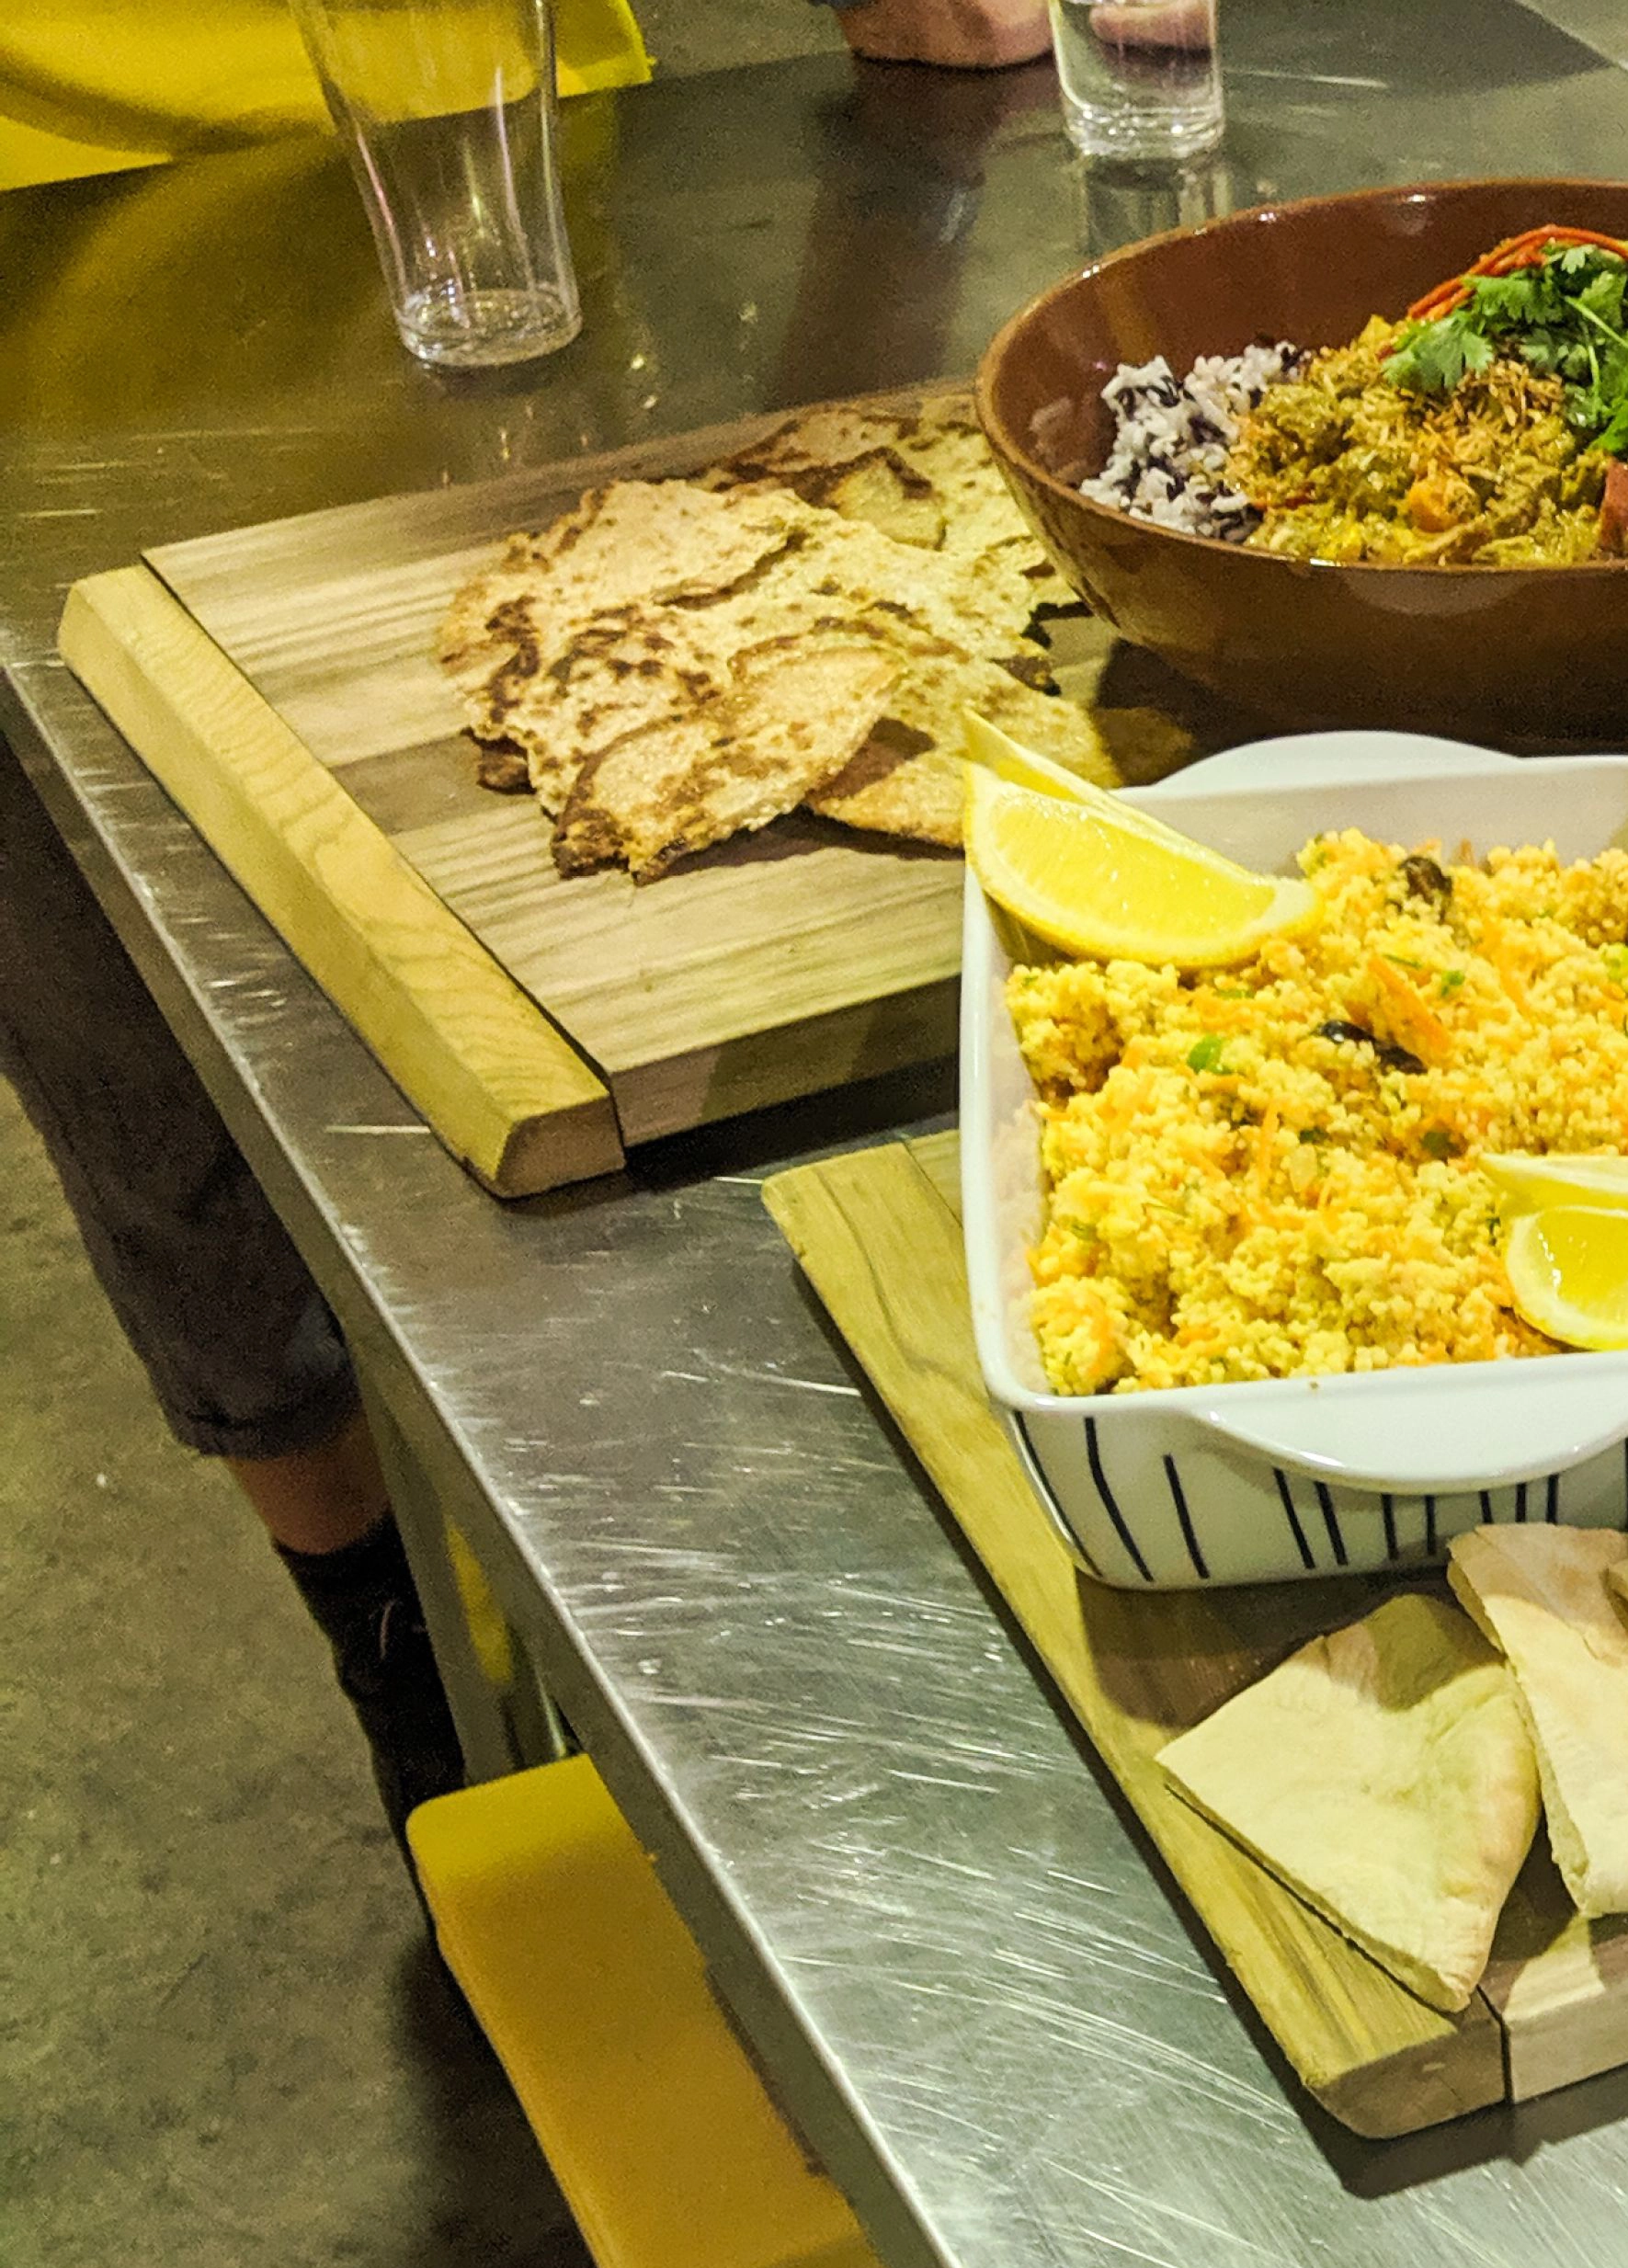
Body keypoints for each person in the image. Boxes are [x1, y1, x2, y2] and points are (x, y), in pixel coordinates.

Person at [0, 0, 1048, 1828]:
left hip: (514, 182)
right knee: (165, 1133)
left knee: (651, 1115)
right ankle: (387, 1629)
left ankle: (726, 1592)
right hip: (46, 261)